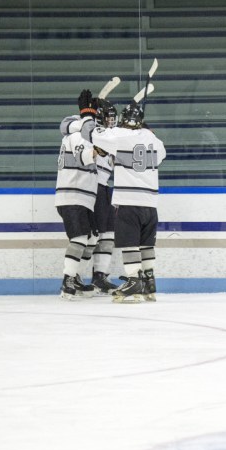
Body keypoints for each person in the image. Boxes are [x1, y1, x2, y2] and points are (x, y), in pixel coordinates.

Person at [81, 99, 166, 303]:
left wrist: (87, 113)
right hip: (151, 203)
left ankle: (134, 279)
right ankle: (149, 281)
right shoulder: (155, 140)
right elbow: (160, 156)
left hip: (129, 200)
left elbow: (89, 133)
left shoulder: (119, 136)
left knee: (129, 244)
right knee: (146, 245)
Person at [54, 89, 99, 300]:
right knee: (80, 237)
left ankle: (76, 276)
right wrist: (103, 149)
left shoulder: (75, 131)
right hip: (74, 195)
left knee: (91, 239)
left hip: (83, 196)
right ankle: (68, 279)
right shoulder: (76, 136)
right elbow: (86, 157)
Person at [89, 98, 119, 296]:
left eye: (112, 118)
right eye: (107, 117)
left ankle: (100, 276)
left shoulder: (114, 137)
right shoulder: (90, 132)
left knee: (109, 234)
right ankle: (73, 277)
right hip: (91, 188)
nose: (111, 121)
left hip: (106, 189)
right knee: (91, 236)